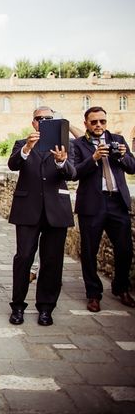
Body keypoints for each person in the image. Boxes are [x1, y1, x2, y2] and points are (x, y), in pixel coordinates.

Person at [7, 106, 75, 326]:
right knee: (23, 257)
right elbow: (13, 164)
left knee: (52, 261)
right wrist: (27, 147)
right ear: (33, 122)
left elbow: (73, 174)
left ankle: (46, 308)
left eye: (48, 118)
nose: (44, 121)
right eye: (40, 118)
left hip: (57, 210)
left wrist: (61, 161)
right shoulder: (21, 144)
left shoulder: (65, 145)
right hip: (28, 209)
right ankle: (17, 306)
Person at [71, 106, 135, 312]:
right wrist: (95, 158)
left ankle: (121, 287)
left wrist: (122, 157)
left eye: (102, 121)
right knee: (89, 251)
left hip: (118, 203)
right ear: (86, 124)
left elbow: (132, 167)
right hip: (92, 204)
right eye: (94, 122)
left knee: (125, 249)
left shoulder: (119, 140)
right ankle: (93, 294)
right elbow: (73, 172)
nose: (99, 125)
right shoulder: (78, 145)